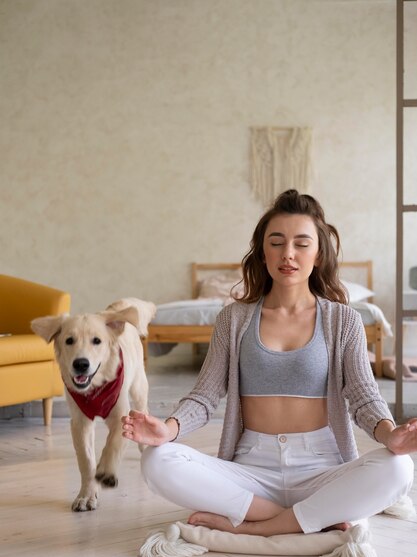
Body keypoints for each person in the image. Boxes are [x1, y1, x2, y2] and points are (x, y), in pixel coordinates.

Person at [122, 189, 416, 536]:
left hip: (321, 467)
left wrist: (390, 435)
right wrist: (167, 430)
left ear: (319, 254)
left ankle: (258, 526)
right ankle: (304, 518)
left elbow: (364, 396)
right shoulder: (233, 319)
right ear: (262, 252)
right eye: (276, 242)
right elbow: (204, 396)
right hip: (251, 470)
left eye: (301, 243)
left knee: (399, 468)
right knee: (157, 459)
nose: (288, 254)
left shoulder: (343, 320)